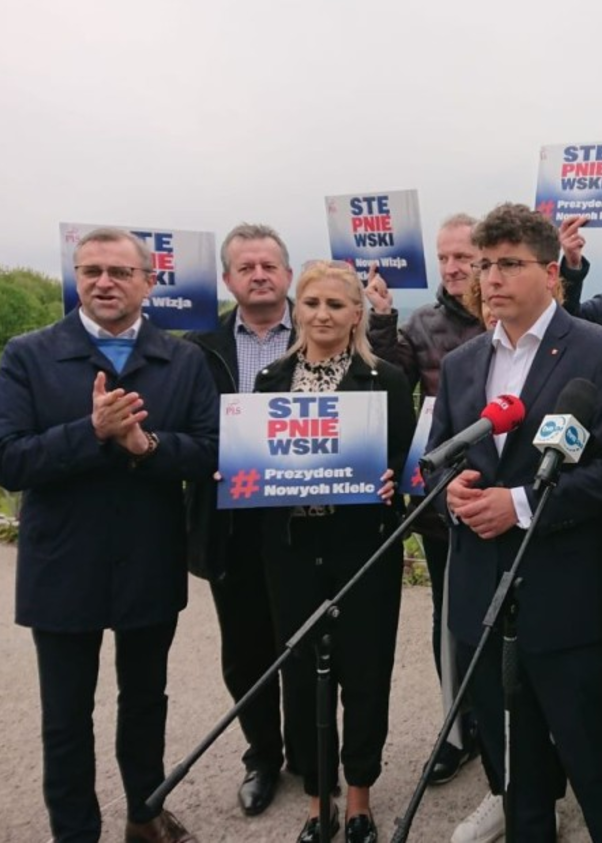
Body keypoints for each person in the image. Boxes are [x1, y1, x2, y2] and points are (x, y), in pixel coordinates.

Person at [0, 227, 217, 843]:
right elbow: (5, 461)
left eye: (119, 272)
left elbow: (209, 453)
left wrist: (147, 446)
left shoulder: (183, 359)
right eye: (91, 271)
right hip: (63, 563)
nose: (104, 282)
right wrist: (88, 432)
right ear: (77, 279)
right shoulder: (28, 354)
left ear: (149, 282)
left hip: (148, 558)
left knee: (146, 702)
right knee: (65, 716)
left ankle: (146, 814)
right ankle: (75, 831)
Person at [428, 203, 602, 843]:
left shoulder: (601, 352)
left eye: (509, 264)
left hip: (566, 603)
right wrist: (450, 495)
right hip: (481, 603)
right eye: (484, 265)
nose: (491, 278)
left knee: (596, 766)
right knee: (514, 773)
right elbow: (435, 460)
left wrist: (521, 505)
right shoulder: (463, 362)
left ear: (551, 273)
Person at [253, 260, 414, 843]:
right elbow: (255, 459)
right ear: (297, 309)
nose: (322, 314)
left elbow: (404, 460)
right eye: (312, 302)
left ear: (356, 315)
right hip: (292, 550)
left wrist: (393, 480)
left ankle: (359, 799)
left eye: (336, 305)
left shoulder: (386, 380)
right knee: (300, 675)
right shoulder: (269, 380)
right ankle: (316, 800)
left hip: (362, 548)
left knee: (365, 671)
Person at [364, 213, 488, 786]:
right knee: (450, 620)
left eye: (463, 256)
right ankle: (458, 730)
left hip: (508, 499)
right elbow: (392, 384)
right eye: (444, 257)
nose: (453, 267)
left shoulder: (505, 313)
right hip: (443, 507)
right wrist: (382, 320)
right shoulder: (422, 322)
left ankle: (514, 725)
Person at [184, 222, 294, 816]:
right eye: (246, 267)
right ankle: (263, 755)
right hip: (231, 521)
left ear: (288, 275)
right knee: (247, 650)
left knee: (307, 642)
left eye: (268, 266)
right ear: (228, 279)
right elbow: (182, 427)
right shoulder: (197, 347)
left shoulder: (322, 327)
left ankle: (311, 752)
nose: (259, 276)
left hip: (305, 518)